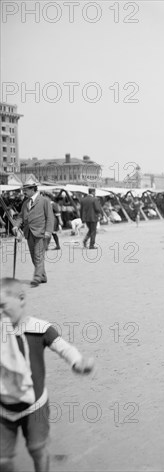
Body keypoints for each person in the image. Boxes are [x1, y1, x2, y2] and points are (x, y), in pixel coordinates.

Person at [0, 278, 94, 472]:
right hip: (3, 408)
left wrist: (77, 362)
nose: (0, 312)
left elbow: (64, 348)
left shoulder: (39, 328)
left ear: (21, 299)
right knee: (2, 459)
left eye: (3, 306)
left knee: (37, 449)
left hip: (35, 407)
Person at [11, 180, 54, 287]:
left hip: (41, 233)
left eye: (25, 189)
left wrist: (48, 232)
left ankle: (37, 277)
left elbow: (50, 217)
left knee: (38, 255)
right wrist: (16, 225)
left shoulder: (44, 201)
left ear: (33, 189)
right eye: (23, 189)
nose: (23, 191)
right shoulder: (25, 203)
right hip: (29, 233)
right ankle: (42, 276)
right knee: (34, 256)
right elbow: (21, 216)